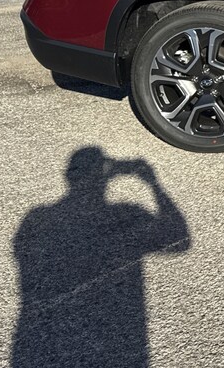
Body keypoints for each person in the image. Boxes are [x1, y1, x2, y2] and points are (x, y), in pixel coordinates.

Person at [12, 147, 190, 368]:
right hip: (122, 333)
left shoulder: (38, 217)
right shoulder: (127, 213)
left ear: (69, 176)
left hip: (43, 335)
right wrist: (152, 183)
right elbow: (180, 240)